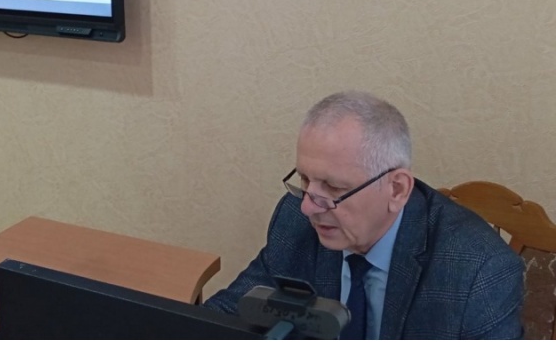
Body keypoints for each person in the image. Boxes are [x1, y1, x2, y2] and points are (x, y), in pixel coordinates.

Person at [204, 91, 524, 339]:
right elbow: (223, 320)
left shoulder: (478, 270)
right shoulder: (295, 222)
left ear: (396, 189)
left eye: (333, 187)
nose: (309, 206)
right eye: (304, 180)